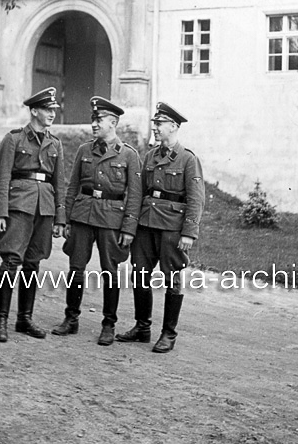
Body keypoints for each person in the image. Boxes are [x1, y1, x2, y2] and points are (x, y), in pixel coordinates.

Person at [52, 96, 142, 346]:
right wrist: (66, 218)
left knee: (110, 272)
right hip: (82, 215)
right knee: (76, 269)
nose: (94, 124)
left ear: (113, 122)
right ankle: (71, 319)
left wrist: (129, 228)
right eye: (93, 119)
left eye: (99, 119)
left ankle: (108, 324)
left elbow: (134, 196)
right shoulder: (84, 150)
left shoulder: (129, 155)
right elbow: (72, 187)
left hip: (112, 218)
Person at [115, 101, 205, 353]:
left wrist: (189, 232)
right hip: (146, 225)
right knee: (140, 275)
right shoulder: (150, 157)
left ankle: (168, 333)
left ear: (174, 126)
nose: (155, 127)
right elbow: (138, 193)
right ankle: (142, 328)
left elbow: (196, 199)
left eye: (159, 123)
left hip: (172, 229)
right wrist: (131, 226)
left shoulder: (188, 159)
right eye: (154, 123)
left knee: (172, 278)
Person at [0, 87, 66, 342]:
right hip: (19, 206)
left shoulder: (55, 144)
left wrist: (60, 218)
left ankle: (24, 318)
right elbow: (1, 178)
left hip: (44, 209)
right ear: (34, 111)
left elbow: (60, 185)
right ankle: (0, 319)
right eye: (47, 109)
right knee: (12, 261)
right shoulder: (14, 139)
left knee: (33, 263)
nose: (52, 114)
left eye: (54, 109)